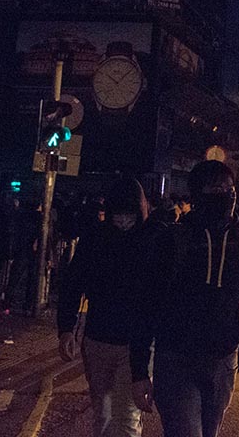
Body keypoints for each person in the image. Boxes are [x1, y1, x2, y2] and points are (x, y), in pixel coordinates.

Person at [130, 160, 239, 437]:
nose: (224, 194)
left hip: (223, 361)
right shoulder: (172, 240)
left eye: (229, 188)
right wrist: (138, 371)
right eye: (215, 188)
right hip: (176, 360)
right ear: (198, 194)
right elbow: (147, 305)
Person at [58, 178, 157, 437]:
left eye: (130, 215)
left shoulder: (151, 242)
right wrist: (66, 329)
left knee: (125, 419)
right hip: (97, 340)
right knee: (102, 415)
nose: (124, 221)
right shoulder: (95, 240)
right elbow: (72, 283)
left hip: (136, 345)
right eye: (118, 215)